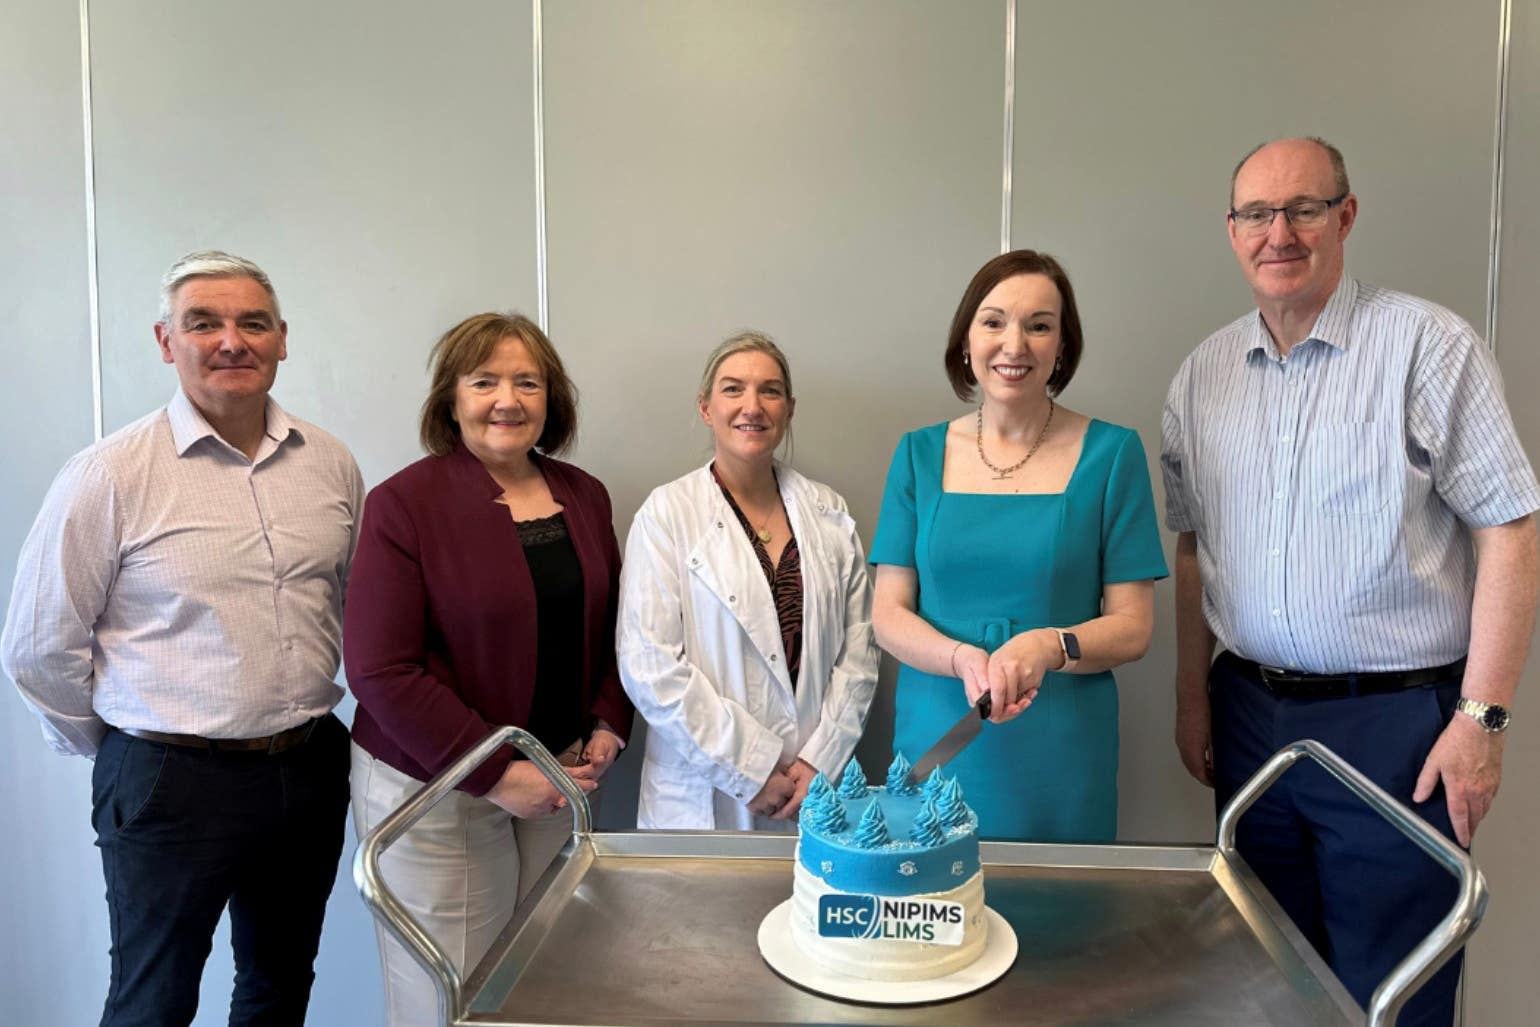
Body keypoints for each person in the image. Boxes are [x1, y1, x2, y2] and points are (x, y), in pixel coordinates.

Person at [1161, 137, 1540, 1025]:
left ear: (1347, 215)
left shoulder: (1428, 347)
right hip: (1249, 716)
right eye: (1256, 213)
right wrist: (1191, 702)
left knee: (1395, 983)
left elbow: (1511, 531)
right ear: (1231, 230)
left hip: (1397, 729)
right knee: (1261, 973)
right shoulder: (1200, 376)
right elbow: (1191, 550)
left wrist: (1483, 719)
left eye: (1303, 208)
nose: (1278, 232)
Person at [0, 251, 364, 1026]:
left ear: (283, 338)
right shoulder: (110, 473)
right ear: (168, 342)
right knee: (153, 1000)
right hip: (169, 777)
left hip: (307, 766)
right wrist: (125, 744)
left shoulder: (330, 462)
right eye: (205, 322)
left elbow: (350, 602)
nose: (231, 340)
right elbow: (37, 644)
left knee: (278, 985)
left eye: (252, 322)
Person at [343, 312, 632, 1026]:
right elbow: (380, 669)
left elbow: (617, 622)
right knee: (453, 997)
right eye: (485, 381)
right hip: (438, 787)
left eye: (527, 382)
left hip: (556, 777)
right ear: (451, 398)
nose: (507, 398)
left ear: (551, 399)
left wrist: (608, 717)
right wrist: (500, 772)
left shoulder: (585, 493)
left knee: (538, 985)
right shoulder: (403, 504)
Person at [869, 250, 1167, 842]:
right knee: (931, 914)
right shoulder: (916, 455)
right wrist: (960, 659)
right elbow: (887, 613)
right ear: (965, 340)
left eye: (1039, 325)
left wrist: (1048, 644)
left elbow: (1133, 627)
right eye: (994, 321)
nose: (1015, 343)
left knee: (1061, 924)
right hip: (939, 729)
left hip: (1059, 752)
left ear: (1062, 346)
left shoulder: (1113, 455)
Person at [617, 331, 879, 829]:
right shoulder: (667, 514)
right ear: (705, 408)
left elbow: (861, 653)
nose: (752, 406)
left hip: (812, 787)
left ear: (790, 408)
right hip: (704, 796)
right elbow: (648, 665)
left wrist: (819, 760)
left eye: (770, 391)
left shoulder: (829, 512)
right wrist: (751, 767)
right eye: (733, 389)